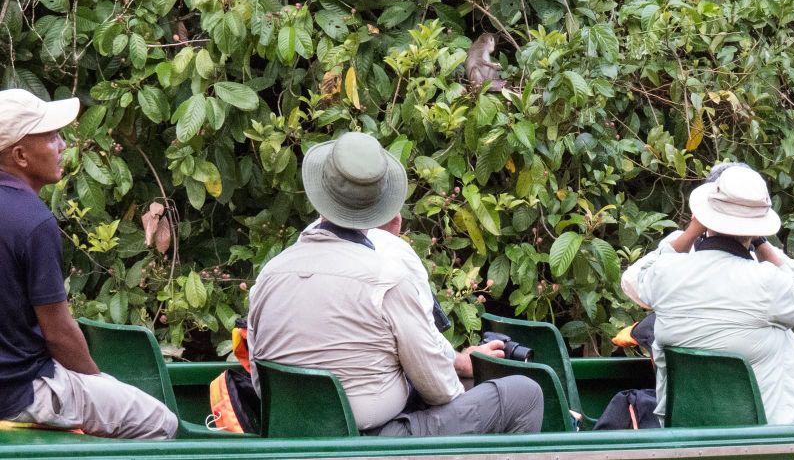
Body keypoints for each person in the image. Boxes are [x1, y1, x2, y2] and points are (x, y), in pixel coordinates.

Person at [248, 131, 543, 436]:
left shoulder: (271, 273)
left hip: (287, 434)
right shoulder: (389, 278)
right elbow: (440, 389)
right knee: (525, 395)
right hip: (372, 443)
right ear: (382, 205)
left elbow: (260, 377)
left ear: (319, 196)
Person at [621, 164, 794, 425]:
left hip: (690, 426)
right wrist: (761, 244)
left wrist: (690, 232)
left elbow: (637, 276)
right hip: (771, 429)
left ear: (704, 216)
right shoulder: (769, 281)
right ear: (758, 227)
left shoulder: (666, 273)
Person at [0, 88, 178, 438]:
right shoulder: (32, 222)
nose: (63, 145)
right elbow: (58, 333)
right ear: (20, 155)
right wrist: (97, 381)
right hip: (19, 392)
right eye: (51, 137)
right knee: (160, 423)